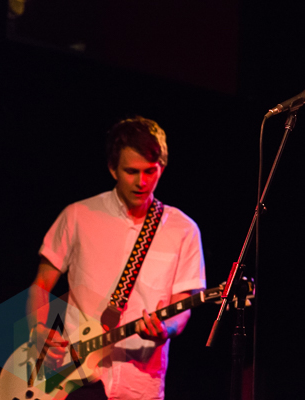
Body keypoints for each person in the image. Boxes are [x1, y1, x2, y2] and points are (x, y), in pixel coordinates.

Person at [26, 116, 206, 399]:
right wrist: (38, 331)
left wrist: (165, 328)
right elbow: (41, 284)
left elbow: (182, 306)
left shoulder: (183, 229)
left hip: (140, 385)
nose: (141, 182)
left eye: (150, 171)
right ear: (112, 168)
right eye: (131, 171)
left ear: (162, 167)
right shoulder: (78, 216)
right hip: (71, 379)